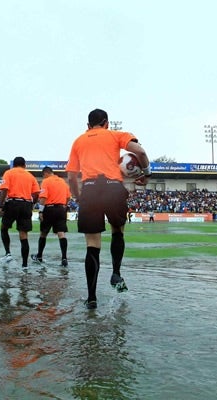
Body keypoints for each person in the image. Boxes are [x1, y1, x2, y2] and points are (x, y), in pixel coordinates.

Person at [66, 108, 151, 309]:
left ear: (88, 126)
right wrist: (146, 174)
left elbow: (71, 176)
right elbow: (140, 152)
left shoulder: (78, 141)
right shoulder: (115, 135)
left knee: (92, 245)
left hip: (89, 189)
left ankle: (92, 298)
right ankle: (116, 273)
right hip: (113, 188)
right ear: (106, 123)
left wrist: (79, 197)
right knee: (117, 231)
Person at [0, 156, 41, 269]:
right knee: (23, 234)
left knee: (4, 228)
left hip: (12, 203)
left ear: (14, 165)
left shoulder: (9, 173)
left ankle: (8, 254)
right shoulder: (30, 176)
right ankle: (25, 265)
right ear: (24, 165)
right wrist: (32, 204)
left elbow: (4, 189)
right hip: (26, 204)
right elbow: (36, 193)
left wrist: (1, 205)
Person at [32, 166, 72, 267]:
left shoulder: (46, 181)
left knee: (43, 233)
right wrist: (64, 206)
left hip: (49, 209)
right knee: (61, 233)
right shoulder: (63, 182)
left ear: (45, 173)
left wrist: (40, 211)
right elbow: (68, 197)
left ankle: (39, 256)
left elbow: (43, 198)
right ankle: (64, 258)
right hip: (61, 209)